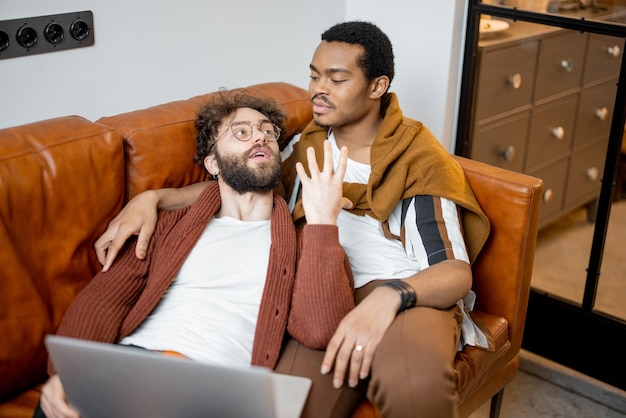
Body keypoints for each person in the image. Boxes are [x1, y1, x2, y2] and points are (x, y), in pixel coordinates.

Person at [95, 21, 492, 418]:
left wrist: (390, 297)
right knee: (285, 407)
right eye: (314, 75)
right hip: (320, 291)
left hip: (406, 292)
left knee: (414, 389)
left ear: (377, 87)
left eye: (336, 79)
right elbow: (245, 186)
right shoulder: (308, 145)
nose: (318, 89)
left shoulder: (417, 158)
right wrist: (155, 198)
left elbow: (454, 272)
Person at [34, 92, 357, 418]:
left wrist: (322, 223)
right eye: (241, 132)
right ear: (213, 163)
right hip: (129, 371)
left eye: (268, 131)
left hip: (211, 391)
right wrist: (65, 375)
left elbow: (320, 330)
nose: (261, 135)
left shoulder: (307, 242)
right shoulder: (168, 225)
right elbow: (103, 300)